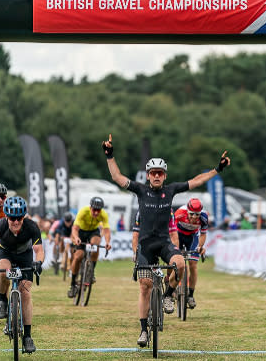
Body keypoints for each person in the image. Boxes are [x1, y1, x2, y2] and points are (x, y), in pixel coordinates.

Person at [102, 133, 230, 347]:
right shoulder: (140, 190)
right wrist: (109, 155)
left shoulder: (170, 191)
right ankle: (143, 331)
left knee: (180, 264)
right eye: (153, 173)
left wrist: (217, 170)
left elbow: (197, 180)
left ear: (164, 176)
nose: (157, 176)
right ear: (148, 175)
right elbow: (117, 177)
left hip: (163, 243)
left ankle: (169, 294)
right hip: (145, 245)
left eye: (160, 173)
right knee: (145, 286)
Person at [0, 196, 44, 354]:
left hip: (24, 256)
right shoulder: (0, 225)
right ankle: (2, 300)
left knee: (25, 293)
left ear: (24, 216)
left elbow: (39, 250)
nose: (16, 222)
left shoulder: (31, 226)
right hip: (5, 253)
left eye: (19, 218)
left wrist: (38, 263)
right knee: (2, 269)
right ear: (6, 216)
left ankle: (28, 336)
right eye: (12, 218)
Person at [68, 198, 112, 297]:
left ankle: (91, 272)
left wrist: (108, 242)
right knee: (78, 256)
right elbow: (74, 229)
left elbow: (107, 230)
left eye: (98, 210)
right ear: (90, 207)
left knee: (95, 244)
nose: (96, 212)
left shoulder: (103, 214)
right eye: (94, 210)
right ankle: (73, 284)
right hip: (81, 232)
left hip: (93, 232)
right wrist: (76, 238)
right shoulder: (83, 212)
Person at [171, 198, 209, 309]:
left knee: (193, 264)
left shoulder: (204, 217)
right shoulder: (179, 213)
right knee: (176, 261)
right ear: (187, 211)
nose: (194, 217)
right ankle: (170, 283)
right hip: (178, 235)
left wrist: (200, 247)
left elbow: (203, 234)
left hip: (192, 238)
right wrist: (175, 247)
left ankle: (191, 295)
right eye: (191, 214)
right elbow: (171, 231)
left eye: (197, 215)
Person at [53, 212, 75, 279]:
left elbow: (74, 232)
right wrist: (57, 240)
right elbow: (57, 233)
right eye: (67, 222)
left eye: (69, 222)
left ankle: (71, 270)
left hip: (72, 235)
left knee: (72, 251)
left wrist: (71, 239)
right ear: (64, 220)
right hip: (64, 234)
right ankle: (60, 255)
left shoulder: (74, 222)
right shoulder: (61, 223)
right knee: (61, 241)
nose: (68, 224)